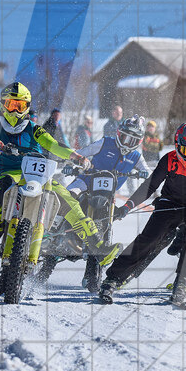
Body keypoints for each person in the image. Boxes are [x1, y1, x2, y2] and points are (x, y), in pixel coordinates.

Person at [0, 82, 121, 267]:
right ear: (2, 105)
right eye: (10, 105)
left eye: (19, 106)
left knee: (67, 200)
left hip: (36, 173)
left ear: (26, 107)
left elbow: (53, 145)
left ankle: (97, 246)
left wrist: (76, 157)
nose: (14, 111)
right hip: (10, 173)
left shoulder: (33, 127)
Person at [101, 122, 186, 308]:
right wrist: (128, 205)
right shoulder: (169, 159)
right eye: (185, 150)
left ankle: (183, 283)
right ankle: (113, 278)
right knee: (149, 238)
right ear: (177, 146)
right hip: (170, 203)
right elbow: (150, 185)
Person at [66, 116, 151, 288]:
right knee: (69, 195)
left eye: (133, 140)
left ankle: (93, 271)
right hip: (86, 181)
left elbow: (148, 172)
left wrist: (144, 175)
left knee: (106, 226)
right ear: (119, 134)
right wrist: (72, 163)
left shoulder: (136, 156)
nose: (128, 143)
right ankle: (57, 228)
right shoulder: (105, 142)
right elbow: (80, 153)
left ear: (139, 141)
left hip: (108, 196)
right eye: (125, 137)